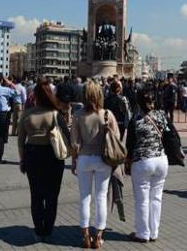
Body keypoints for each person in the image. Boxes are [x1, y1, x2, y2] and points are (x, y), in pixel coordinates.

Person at [17, 79, 69, 242]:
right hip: (52, 156)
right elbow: (67, 137)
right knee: (52, 195)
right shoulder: (56, 114)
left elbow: (20, 141)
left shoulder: (26, 114)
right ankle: (48, 229)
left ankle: (38, 229)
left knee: (36, 195)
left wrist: (22, 160)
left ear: (35, 96)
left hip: (32, 155)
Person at [71, 79, 120, 249]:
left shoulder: (78, 115)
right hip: (102, 159)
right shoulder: (107, 114)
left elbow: (75, 143)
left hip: (84, 158)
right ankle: (98, 236)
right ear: (100, 94)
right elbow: (117, 138)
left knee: (85, 197)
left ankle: (85, 236)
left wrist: (73, 161)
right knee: (101, 197)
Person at [126, 87, 169, 243]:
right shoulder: (161, 115)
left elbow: (130, 144)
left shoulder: (135, 119)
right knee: (156, 198)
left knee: (142, 199)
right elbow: (169, 135)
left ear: (138, 102)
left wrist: (127, 162)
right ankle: (154, 232)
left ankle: (143, 233)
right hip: (161, 160)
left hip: (142, 161)